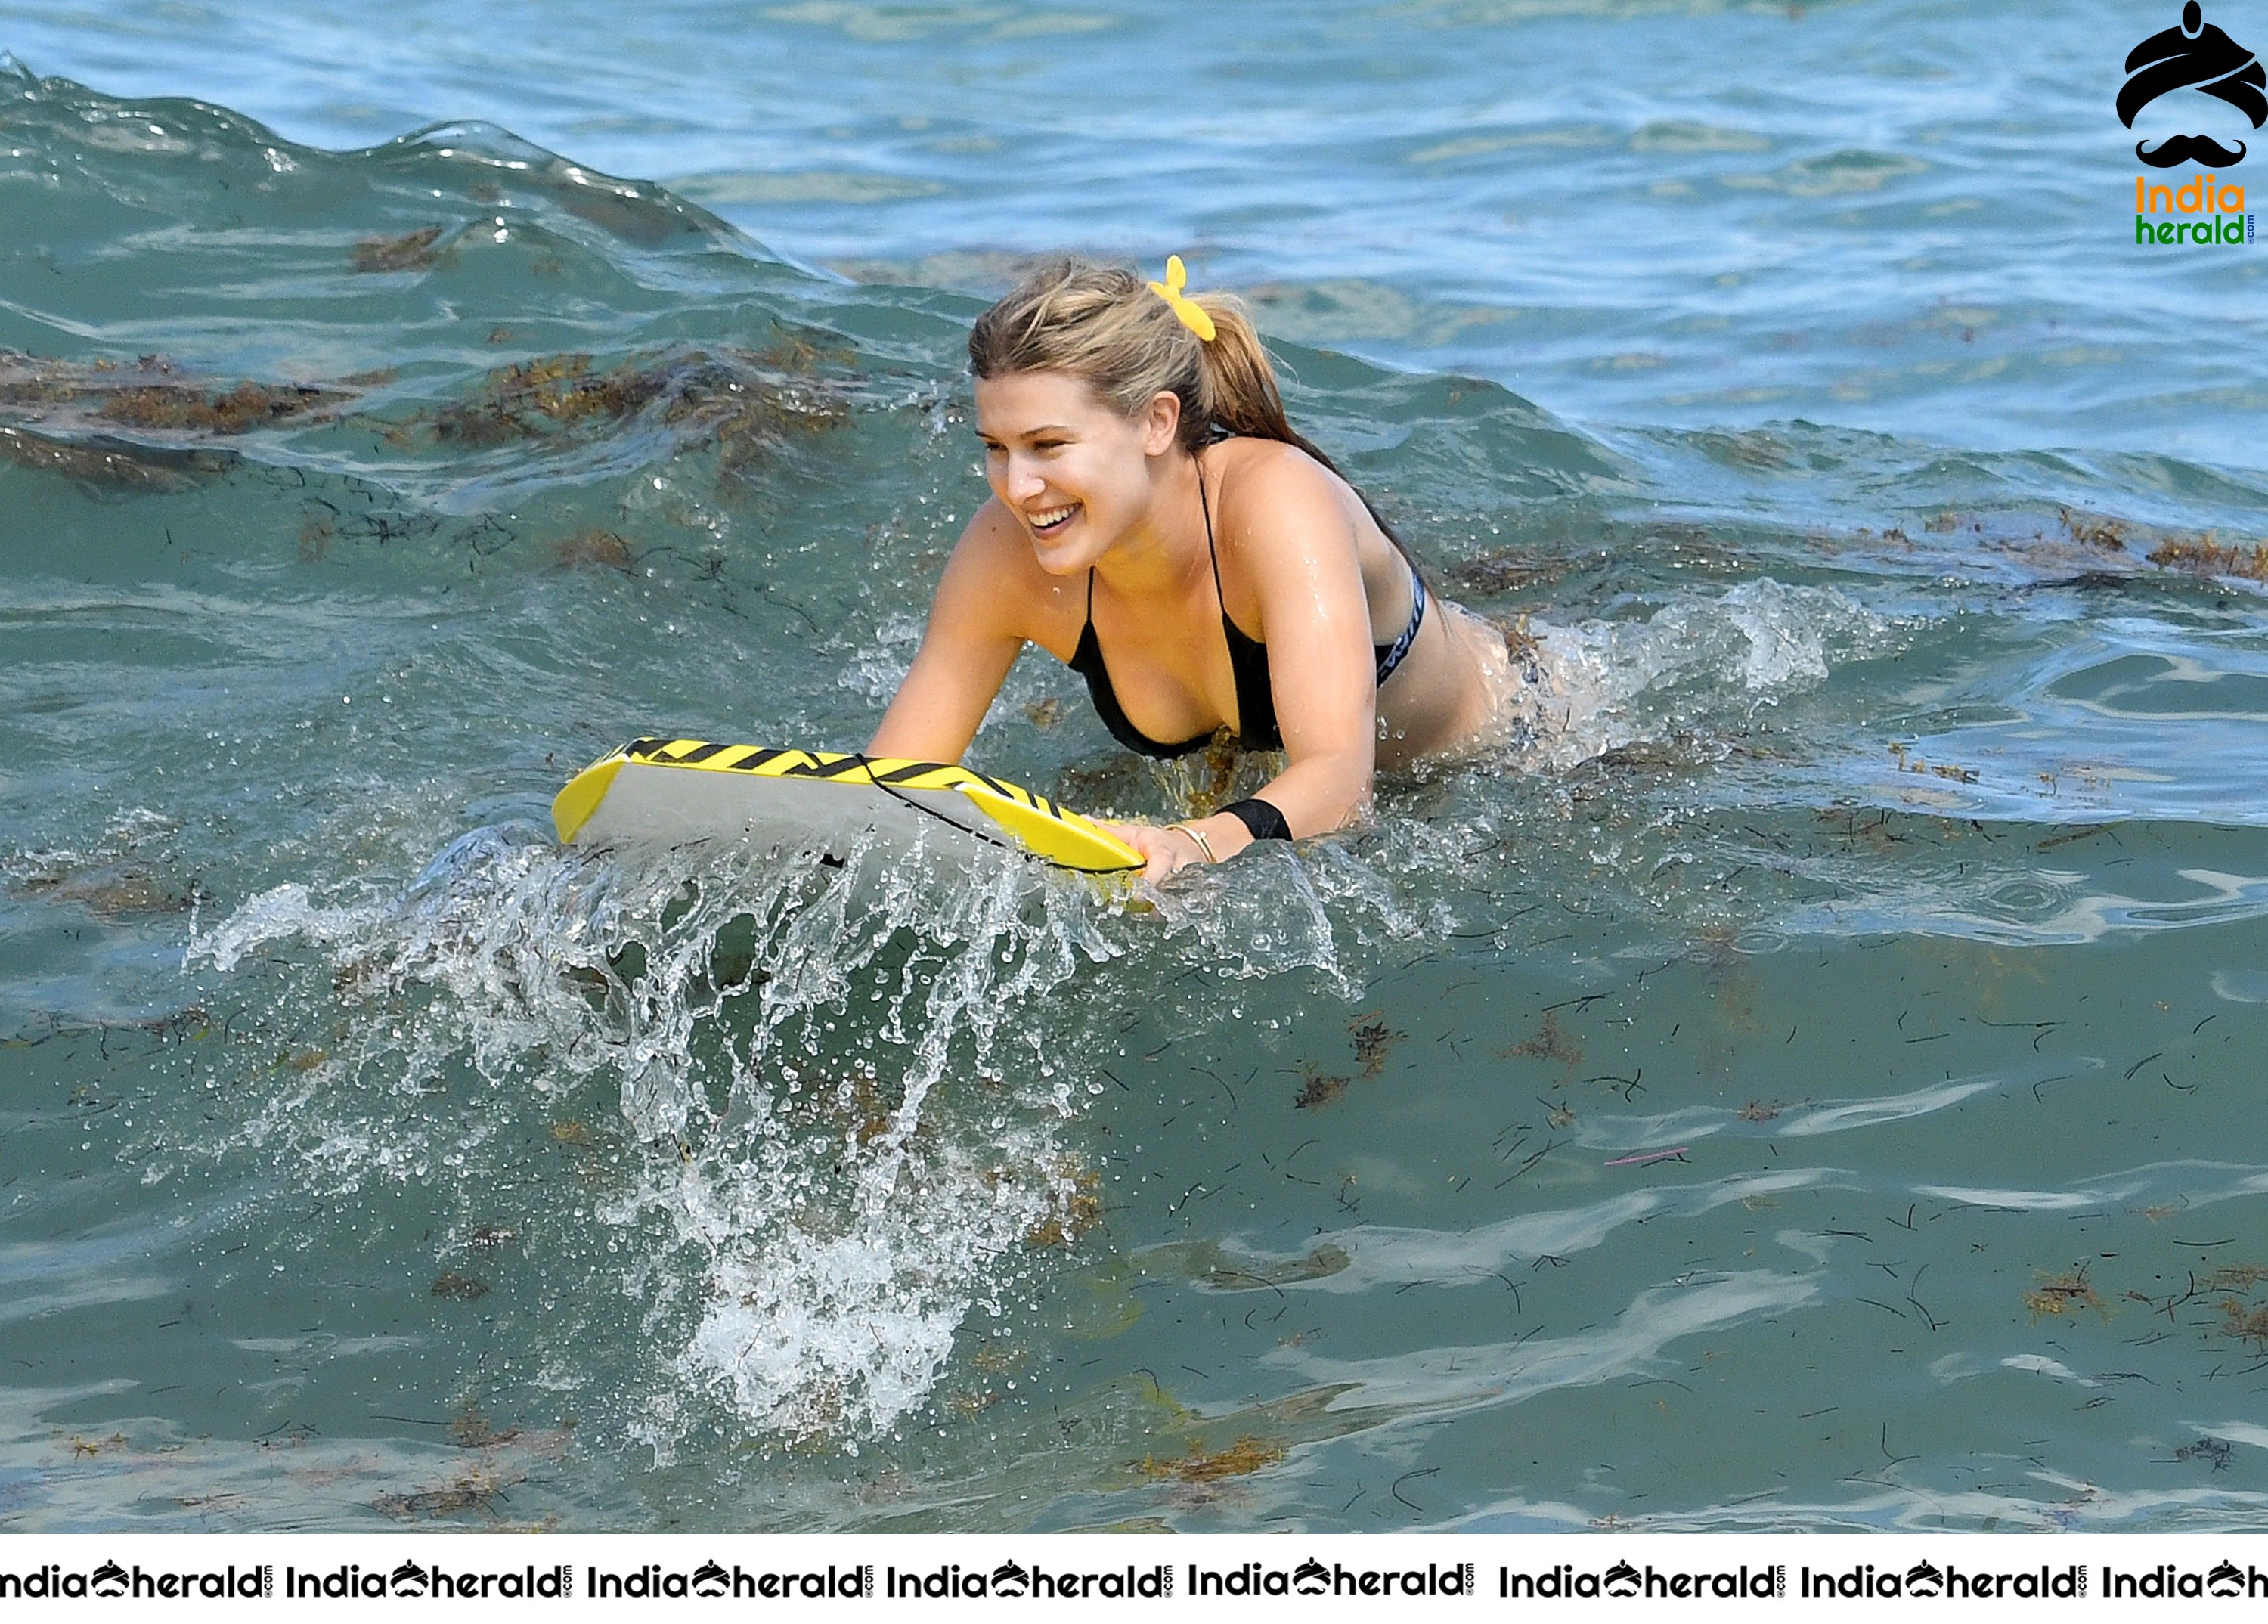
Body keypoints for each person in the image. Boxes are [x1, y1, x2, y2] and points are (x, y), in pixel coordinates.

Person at [867, 255, 1536, 882]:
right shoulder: (1004, 551)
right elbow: (893, 784)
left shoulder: (1277, 506)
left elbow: (1338, 783)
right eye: (997, 448)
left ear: (1158, 422)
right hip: (1257, 776)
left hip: (1515, 750)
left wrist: (1192, 842)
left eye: (1048, 445)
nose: (1017, 486)